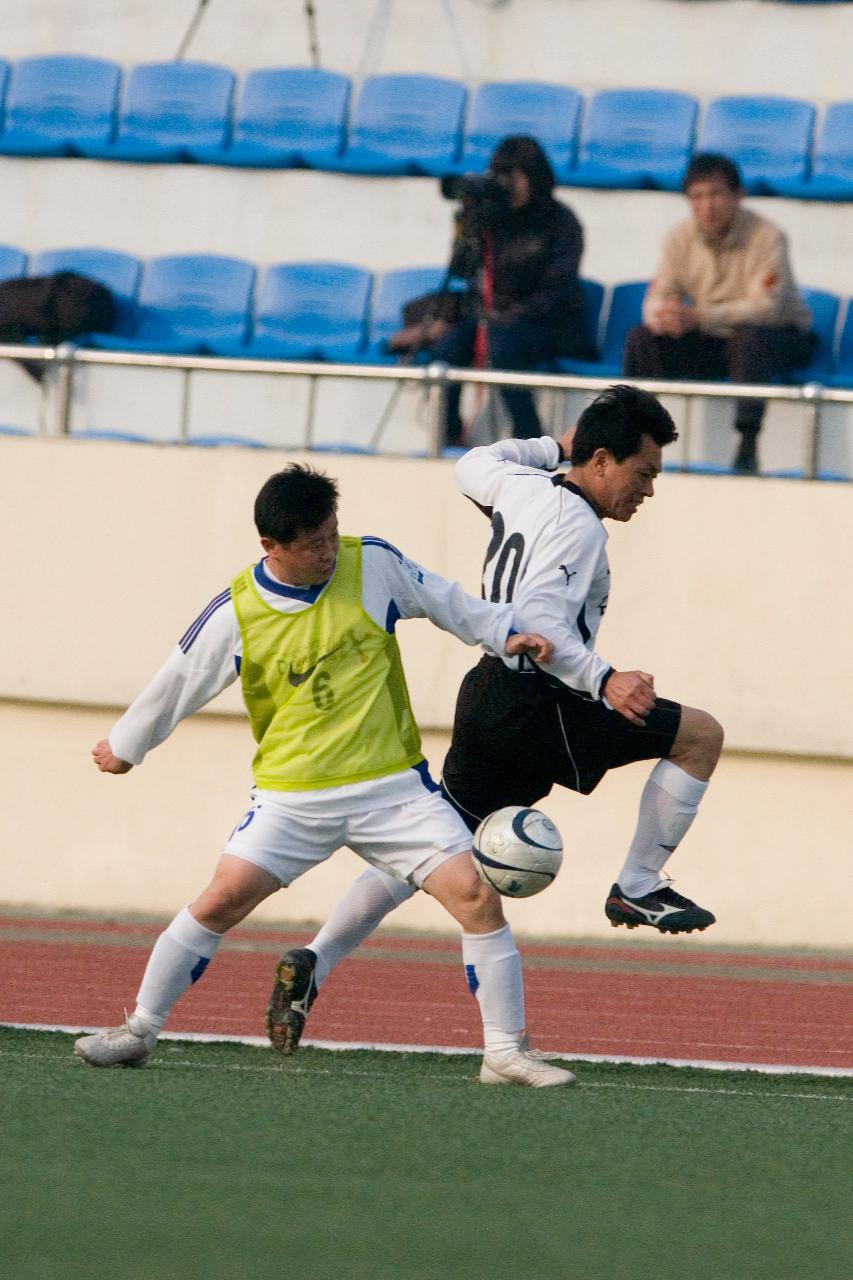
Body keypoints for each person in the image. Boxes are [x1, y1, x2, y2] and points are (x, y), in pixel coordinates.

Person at [73, 463, 575, 1088]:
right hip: (292, 797)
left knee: (477, 897)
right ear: (271, 547)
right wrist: (126, 744)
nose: (328, 551)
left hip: (394, 789)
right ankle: (139, 1031)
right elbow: (177, 681)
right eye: (313, 544)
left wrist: (506, 632)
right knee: (220, 900)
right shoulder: (237, 611)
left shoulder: (373, 564)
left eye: (332, 534)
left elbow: (445, 600)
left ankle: (505, 1054)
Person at [265, 386, 725, 1057]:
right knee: (700, 736)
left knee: (433, 846)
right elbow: (539, 625)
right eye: (643, 472)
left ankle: (313, 960)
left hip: (487, 694)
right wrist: (605, 678)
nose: (648, 489)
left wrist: (552, 447)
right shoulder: (576, 526)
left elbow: (471, 462)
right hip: (543, 701)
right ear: (600, 460)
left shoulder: (521, 483)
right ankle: (637, 886)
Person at [388, 134, 593, 446]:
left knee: (503, 346)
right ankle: (448, 434)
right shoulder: (491, 218)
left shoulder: (561, 221)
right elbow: (462, 272)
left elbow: (559, 290)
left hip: (547, 323)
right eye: (501, 175)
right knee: (447, 349)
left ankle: (530, 435)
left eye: (515, 175)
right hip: (494, 319)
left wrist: (512, 316)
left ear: (534, 177)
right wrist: (468, 221)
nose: (507, 184)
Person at [623, 152, 815, 475]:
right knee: (641, 338)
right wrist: (665, 316)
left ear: (738, 196)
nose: (707, 205)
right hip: (713, 339)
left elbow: (765, 309)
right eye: (697, 196)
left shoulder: (767, 236)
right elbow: (655, 299)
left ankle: (747, 445)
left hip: (779, 337)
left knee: (750, 341)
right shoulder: (678, 237)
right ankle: (631, 435)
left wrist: (699, 317)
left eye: (715, 194)